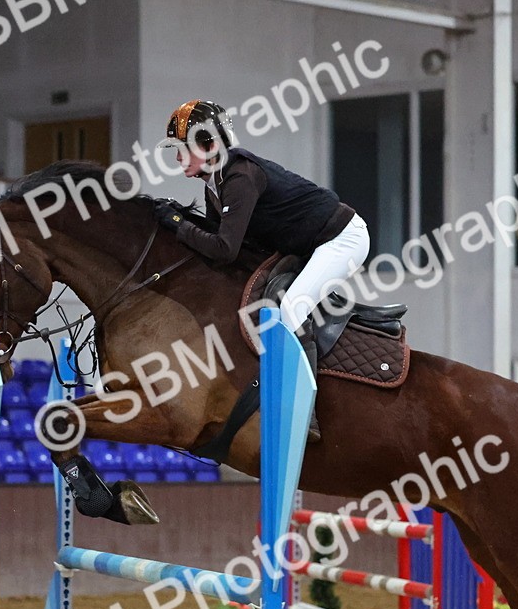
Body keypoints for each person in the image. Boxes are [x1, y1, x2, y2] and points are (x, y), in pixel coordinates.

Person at [154, 99, 370, 443]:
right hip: (306, 244)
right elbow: (214, 243)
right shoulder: (215, 182)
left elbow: (224, 250)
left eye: (182, 150)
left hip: (342, 240)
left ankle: (304, 409)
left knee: (293, 307)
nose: (178, 158)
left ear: (208, 145)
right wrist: (174, 221)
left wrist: (178, 224)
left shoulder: (239, 176)